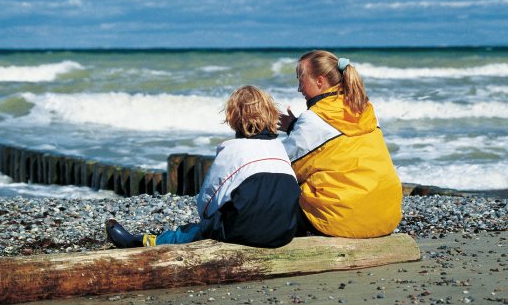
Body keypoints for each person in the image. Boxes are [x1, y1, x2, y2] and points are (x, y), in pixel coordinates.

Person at [106, 85, 312, 249]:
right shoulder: (280, 149)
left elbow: (207, 200)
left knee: (195, 230)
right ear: (270, 115)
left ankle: (146, 242)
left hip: (244, 232)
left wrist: (209, 222)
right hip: (283, 232)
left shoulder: (232, 150)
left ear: (232, 117)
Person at [279, 50, 402, 238]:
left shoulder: (314, 119)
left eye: (301, 79)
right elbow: (336, 145)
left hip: (344, 218)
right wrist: (295, 127)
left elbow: (284, 167)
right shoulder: (363, 109)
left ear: (320, 81)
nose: (299, 88)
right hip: (387, 216)